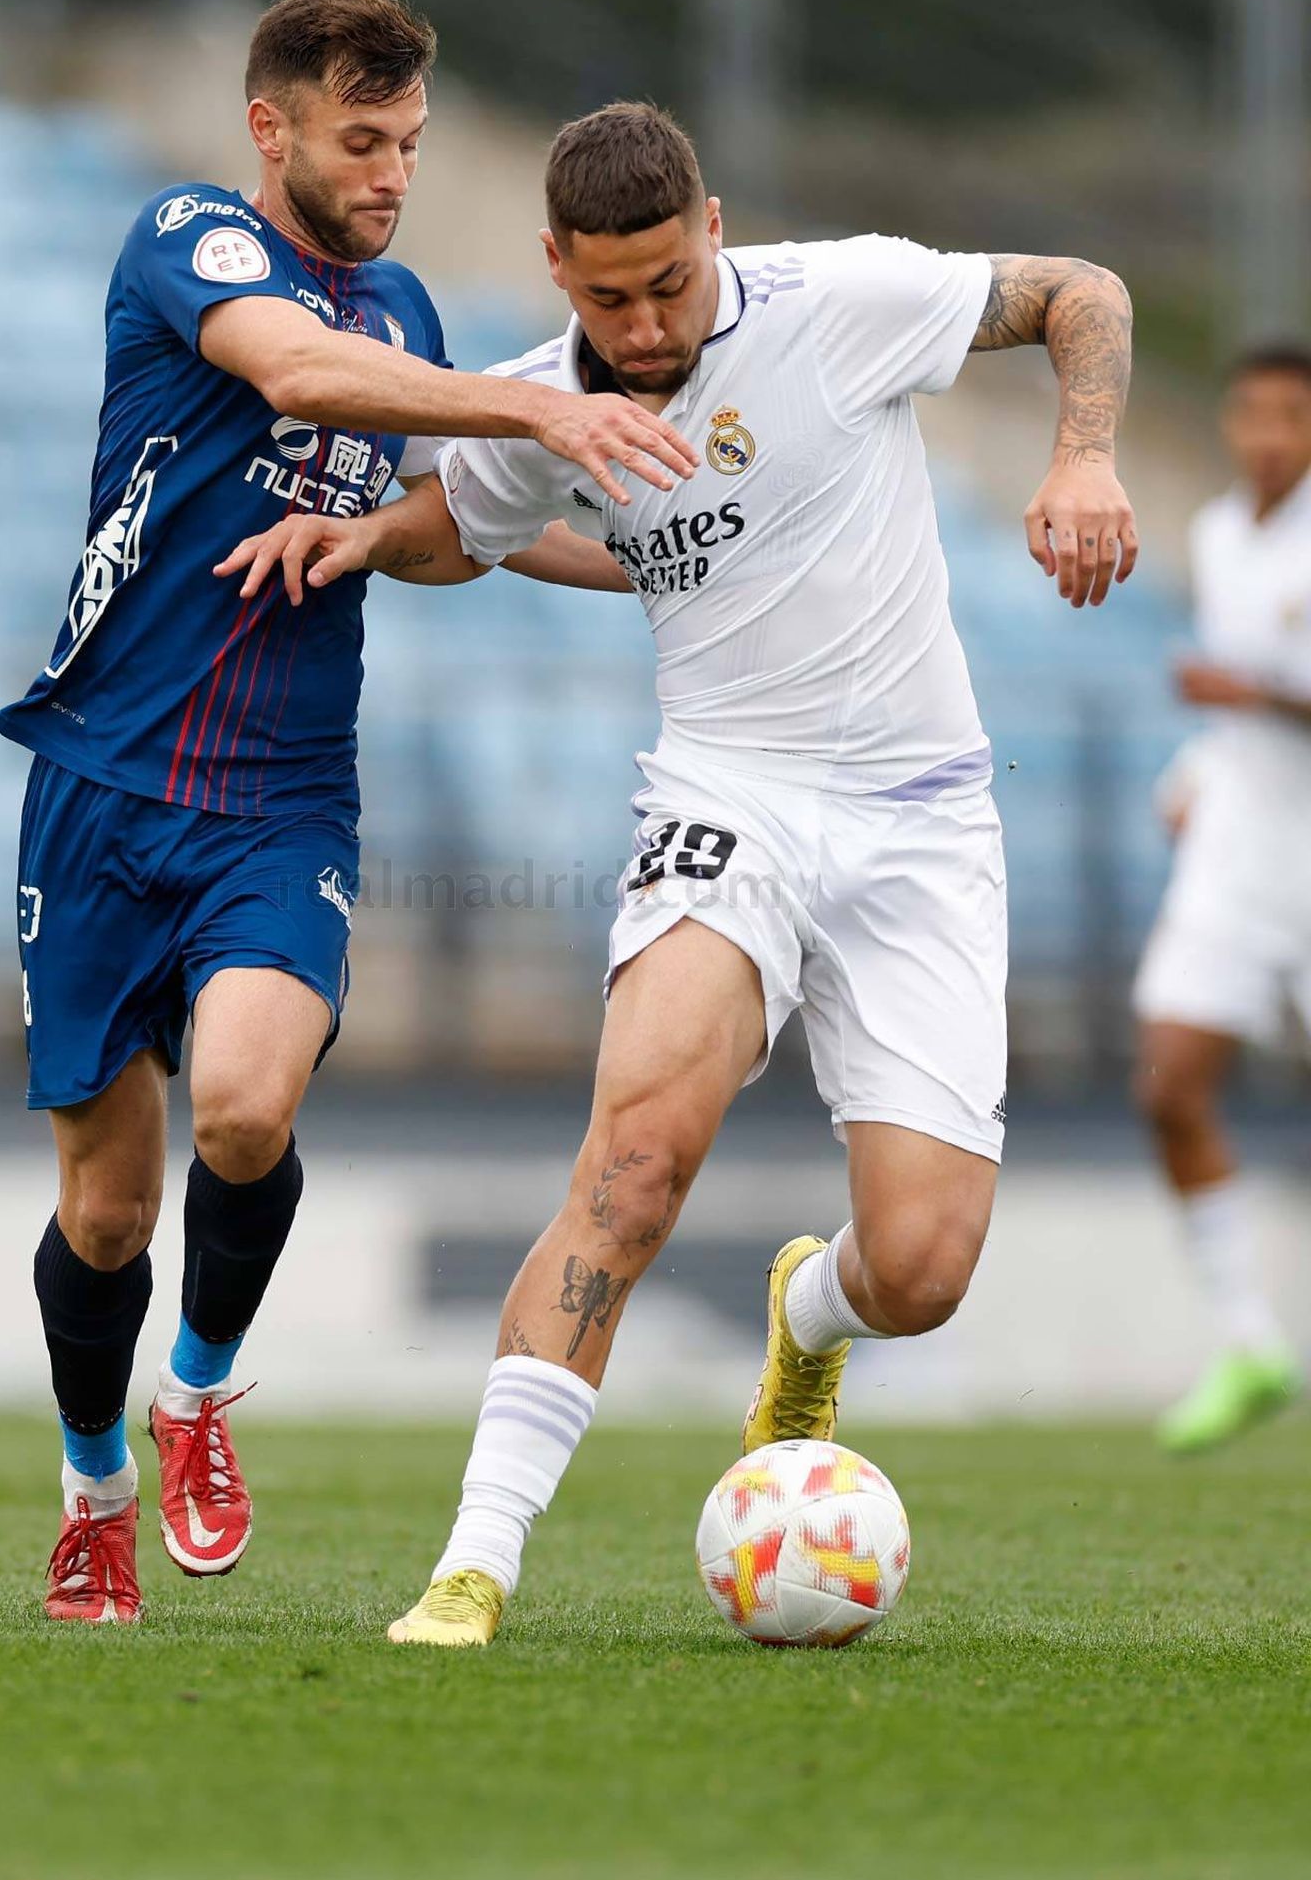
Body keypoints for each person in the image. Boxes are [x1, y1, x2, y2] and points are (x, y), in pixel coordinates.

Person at [224, 101, 1139, 1647]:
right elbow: (476, 523)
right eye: (606, 298)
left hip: (922, 818)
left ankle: (808, 1315)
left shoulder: (837, 303)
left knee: (919, 1269)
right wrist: (376, 538)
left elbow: (1081, 293)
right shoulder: (536, 399)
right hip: (730, 797)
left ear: (712, 228)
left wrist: (1088, 455)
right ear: (554, 269)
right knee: (633, 1167)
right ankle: (476, 1564)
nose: (643, 328)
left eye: (668, 285)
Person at [0, 0, 695, 1624]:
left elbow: (459, 526)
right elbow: (302, 374)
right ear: (274, 130)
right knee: (105, 1207)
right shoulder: (187, 243)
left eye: (413, 145)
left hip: (279, 803)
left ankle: (200, 1393)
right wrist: (539, 401)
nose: (391, 174)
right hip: (99, 791)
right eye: (363, 142)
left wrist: (669, 562)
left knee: (243, 1107)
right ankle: (95, 1486)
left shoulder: (410, 307)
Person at [1131, 346, 1311, 1453]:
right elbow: (1226, 721)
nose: (1265, 434)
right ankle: (1250, 1342)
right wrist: (1191, 777)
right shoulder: (1213, 534)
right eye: (1248, 413)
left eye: (1288, 415)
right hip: (1239, 853)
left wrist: (1240, 690)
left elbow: (1239, 689)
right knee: (1167, 1086)